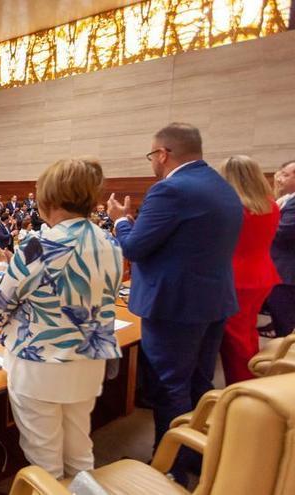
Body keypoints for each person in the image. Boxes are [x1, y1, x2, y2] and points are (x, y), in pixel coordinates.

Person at [107, 123, 243, 458]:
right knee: (200, 381)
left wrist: (121, 221)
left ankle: (170, 461)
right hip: (213, 301)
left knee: (170, 386)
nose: (152, 163)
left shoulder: (171, 190)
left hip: (174, 307)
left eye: (152, 155)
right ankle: (196, 451)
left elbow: (135, 248)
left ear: (163, 154)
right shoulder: (222, 186)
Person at [0, 157, 123, 480]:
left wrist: (1, 266)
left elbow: (0, 299)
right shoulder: (110, 242)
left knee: (44, 461)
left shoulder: (39, 245)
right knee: (79, 451)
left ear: (49, 199)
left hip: (40, 367)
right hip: (89, 363)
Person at [216, 156, 281, 384]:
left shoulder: (234, 209)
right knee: (247, 331)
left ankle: (241, 388)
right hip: (262, 274)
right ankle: (251, 376)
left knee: (234, 340)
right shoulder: (270, 205)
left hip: (237, 278)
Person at [267, 160, 295, 337]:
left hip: (286, 272)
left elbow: (282, 232)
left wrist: (259, 228)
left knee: (286, 326)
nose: (279, 178)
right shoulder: (286, 199)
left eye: (285, 175)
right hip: (280, 269)